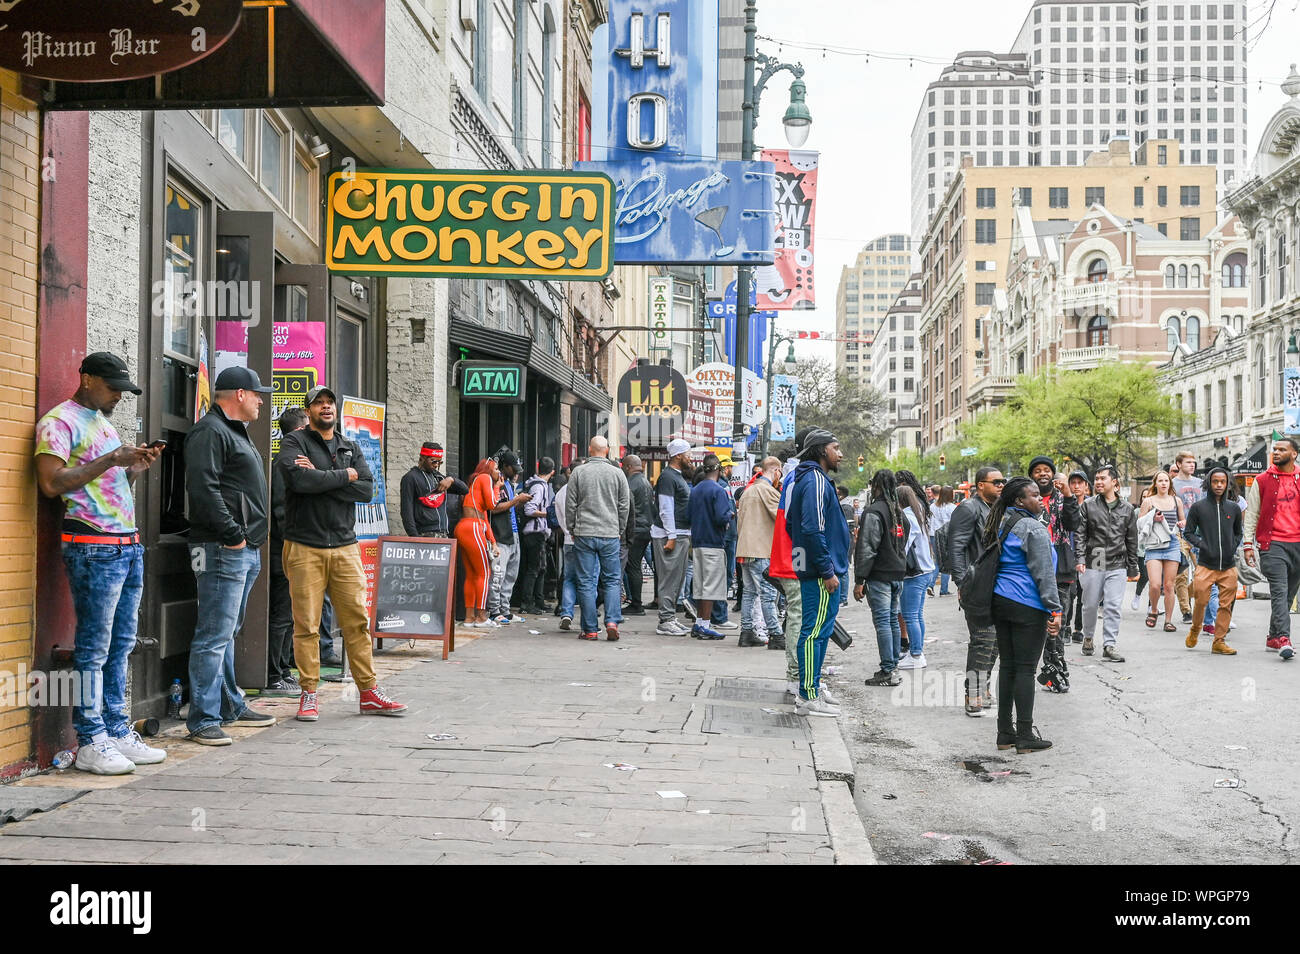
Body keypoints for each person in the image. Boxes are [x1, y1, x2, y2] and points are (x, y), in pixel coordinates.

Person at [34, 352, 163, 773]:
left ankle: (115, 729)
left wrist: (135, 468)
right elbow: (52, 484)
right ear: (87, 379)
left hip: (125, 544)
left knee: (121, 645)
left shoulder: (102, 424)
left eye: (123, 391)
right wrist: (111, 458)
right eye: (112, 389)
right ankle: (89, 739)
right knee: (94, 647)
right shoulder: (59, 422)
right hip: (92, 546)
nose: (118, 398)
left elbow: (108, 486)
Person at [279, 385, 407, 721]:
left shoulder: (349, 446)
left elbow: (365, 489)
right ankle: (309, 694)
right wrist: (342, 477)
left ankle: (368, 692)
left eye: (329, 403)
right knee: (306, 624)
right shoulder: (294, 442)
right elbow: (300, 483)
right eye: (318, 403)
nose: (325, 407)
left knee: (357, 622)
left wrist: (323, 477)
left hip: (345, 546)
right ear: (308, 411)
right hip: (304, 545)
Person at [183, 367, 279, 745]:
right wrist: (234, 536)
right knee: (213, 634)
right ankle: (203, 718)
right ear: (239, 394)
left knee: (227, 632)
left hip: (243, 548)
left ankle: (229, 705)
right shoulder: (210, 430)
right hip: (223, 549)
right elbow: (203, 488)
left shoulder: (233, 431)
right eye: (257, 394)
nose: (261, 400)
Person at [986, 476, 1061, 754]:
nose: (1039, 499)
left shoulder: (1002, 522)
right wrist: (1054, 609)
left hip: (1001, 600)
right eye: (1033, 495)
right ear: (1020, 500)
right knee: (1026, 669)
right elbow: (1043, 573)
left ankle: (1005, 732)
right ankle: (1026, 735)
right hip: (1027, 603)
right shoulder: (1033, 528)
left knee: (1007, 667)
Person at [787, 429, 850, 716]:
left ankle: (812, 686)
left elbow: (792, 524)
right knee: (814, 632)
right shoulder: (814, 480)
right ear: (822, 450)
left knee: (821, 631)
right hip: (819, 570)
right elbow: (812, 527)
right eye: (836, 448)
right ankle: (808, 695)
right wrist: (826, 569)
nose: (840, 454)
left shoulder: (812, 479)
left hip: (815, 566)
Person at [948, 466, 1005, 715]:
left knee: (995, 642)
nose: (1001, 485)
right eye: (996, 482)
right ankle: (973, 692)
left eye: (1003, 481)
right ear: (981, 485)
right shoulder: (968, 508)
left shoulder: (996, 509)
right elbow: (956, 547)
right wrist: (961, 582)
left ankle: (984, 686)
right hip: (976, 584)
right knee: (983, 639)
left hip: (997, 584)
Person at [564, 438, 630, 640]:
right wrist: (619, 528)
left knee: (586, 581)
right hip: (609, 532)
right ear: (607, 450)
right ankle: (612, 621)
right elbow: (624, 505)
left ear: (589, 450)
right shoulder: (617, 473)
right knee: (611, 580)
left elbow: (571, 504)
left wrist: (572, 527)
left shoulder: (579, 472)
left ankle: (590, 629)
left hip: (584, 532)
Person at [1244, 437, 1300, 660]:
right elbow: (1252, 514)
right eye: (1274, 449)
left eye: (1281, 449)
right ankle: (1284, 639)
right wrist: (1248, 544)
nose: (1275, 452)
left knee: (1288, 596)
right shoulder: (1262, 480)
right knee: (1279, 592)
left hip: (1297, 543)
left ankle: (1273, 636)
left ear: (1294, 454)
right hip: (1273, 544)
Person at [1076, 465, 1139, 662]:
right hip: (1094, 559)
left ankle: (1109, 645)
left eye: (1103, 478)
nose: (1098, 482)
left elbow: (1131, 539)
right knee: (1090, 604)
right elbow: (1080, 535)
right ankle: (1088, 637)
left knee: (1113, 606)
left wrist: (1133, 566)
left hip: (1117, 562)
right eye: (1096, 479)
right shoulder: (1088, 505)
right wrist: (1079, 559)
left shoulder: (1127, 509)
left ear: (1115, 483)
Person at [1027, 456, 1080, 693]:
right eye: (1037, 471)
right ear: (1032, 476)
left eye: (1046, 470)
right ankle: (1029, 670)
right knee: (1032, 625)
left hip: (1060, 571)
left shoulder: (1062, 499)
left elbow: (1073, 524)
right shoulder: (1026, 500)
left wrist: (1069, 494)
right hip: (1030, 570)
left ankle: (1056, 671)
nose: (1042, 474)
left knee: (1055, 625)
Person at [267, 406, 309, 695]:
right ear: (298, 431)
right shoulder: (285, 463)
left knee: (290, 615)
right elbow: (282, 509)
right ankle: (273, 675)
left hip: (294, 548)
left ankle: (282, 669)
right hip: (284, 550)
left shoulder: (299, 461)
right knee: (281, 615)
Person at [1183, 467, 1242, 655]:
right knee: (1201, 600)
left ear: (1227, 484)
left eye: (1222, 482)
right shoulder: (1198, 507)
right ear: (1209, 483)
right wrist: (1202, 544)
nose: (1218, 485)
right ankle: (1195, 629)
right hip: (1206, 564)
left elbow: (1238, 532)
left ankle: (1219, 641)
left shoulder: (1233, 508)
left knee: (1226, 605)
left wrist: (1232, 547)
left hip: (1228, 566)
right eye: (1215, 481)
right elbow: (1188, 532)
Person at [684, 454, 733, 640]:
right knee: (711, 587)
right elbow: (721, 517)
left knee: (700, 585)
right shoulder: (718, 490)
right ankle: (705, 624)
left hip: (697, 543)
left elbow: (688, 516)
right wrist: (730, 515)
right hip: (713, 543)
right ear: (719, 470)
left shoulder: (695, 490)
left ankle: (699, 623)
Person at [735, 456, 782, 647]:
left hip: (745, 549)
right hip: (761, 550)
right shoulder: (766, 491)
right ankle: (776, 634)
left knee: (749, 592)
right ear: (776, 470)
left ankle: (746, 632)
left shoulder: (748, 491)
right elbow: (782, 517)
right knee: (768, 594)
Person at [652, 438, 694, 636]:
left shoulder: (675, 476)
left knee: (676, 579)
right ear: (678, 456)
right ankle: (666, 620)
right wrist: (671, 536)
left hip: (679, 534)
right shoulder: (668, 477)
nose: (691, 458)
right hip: (671, 535)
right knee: (669, 579)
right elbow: (665, 509)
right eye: (688, 454)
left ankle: (670, 617)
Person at [1138, 470, 1187, 633]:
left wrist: (1182, 523)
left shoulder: (1176, 500)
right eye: (1160, 481)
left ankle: (1168, 620)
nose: (1164, 483)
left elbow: (1183, 519)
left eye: (1166, 481)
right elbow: (1139, 523)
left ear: (1170, 484)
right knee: (1155, 584)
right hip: (1154, 545)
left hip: (1172, 543)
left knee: (1168, 585)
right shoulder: (1149, 501)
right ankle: (1153, 610)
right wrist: (1153, 518)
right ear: (1156, 483)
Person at [487, 451, 531, 625]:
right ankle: (494, 610)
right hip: (500, 534)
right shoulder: (495, 483)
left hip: (513, 534)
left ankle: (505, 610)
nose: (517, 472)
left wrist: (519, 501)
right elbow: (493, 507)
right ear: (505, 466)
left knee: (510, 575)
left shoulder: (509, 484)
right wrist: (516, 500)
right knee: (498, 574)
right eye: (514, 468)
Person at [457, 458, 500, 628]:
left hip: (465, 526)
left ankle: (469, 617)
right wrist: (496, 487)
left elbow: (484, 517)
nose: (498, 473)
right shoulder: (485, 478)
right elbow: (492, 505)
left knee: (472, 574)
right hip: (474, 528)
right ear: (488, 468)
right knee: (484, 573)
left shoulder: (474, 484)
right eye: (496, 469)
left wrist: (493, 541)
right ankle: (481, 617)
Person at [897, 484, 935, 670]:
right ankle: (917, 651)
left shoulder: (908, 517)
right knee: (916, 615)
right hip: (926, 572)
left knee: (910, 615)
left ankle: (916, 655)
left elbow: (904, 544)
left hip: (914, 574)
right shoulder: (918, 514)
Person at [399, 442, 466, 539]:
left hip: (443, 533)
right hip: (425, 534)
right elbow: (406, 511)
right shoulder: (410, 478)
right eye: (433, 461)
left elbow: (464, 490)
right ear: (422, 458)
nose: (436, 465)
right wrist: (414, 538)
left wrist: (452, 480)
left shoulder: (438, 477)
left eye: (439, 462)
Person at [518, 457, 556, 615]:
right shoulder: (539, 487)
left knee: (541, 568)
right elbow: (529, 510)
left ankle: (539, 601)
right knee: (534, 569)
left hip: (536, 532)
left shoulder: (534, 484)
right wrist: (547, 514)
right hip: (534, 532)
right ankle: (527, 603)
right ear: (552, 472)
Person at [622, 454, 655, 616]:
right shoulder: (646, 482)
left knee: (633, 565)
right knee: (634, 565)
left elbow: (626, 508)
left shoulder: (631, 483)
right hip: (645, 529)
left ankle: (636, 603)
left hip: (636, 530)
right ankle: (636, 602)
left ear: (628, 467)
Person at [1171, 452, 1200, 623]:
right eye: (1188, 462)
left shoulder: (1201, 483)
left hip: (1198, 534)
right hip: (1178, 534)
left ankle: (1189, 595)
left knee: (1202, 573)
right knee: (1181, 574)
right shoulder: (1172, 484)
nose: (1192, 465)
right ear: (1179, 464)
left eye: (1193, 462)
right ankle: (1186, 610)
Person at [1065, 471, 1091, 643]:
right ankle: (1065, 626)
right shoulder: (1064, 504)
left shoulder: (1093, 505)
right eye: (1072, 482)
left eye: (1079, 483)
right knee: (1069, 592)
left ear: (1086, 486)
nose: (1076, 486)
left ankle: (1078, 628)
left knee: (1085, 594)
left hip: (1089, 554)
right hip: (1069, 553)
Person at [930, 486, 957, 595]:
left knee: (936, 561)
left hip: (934, 535)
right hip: (947, 537)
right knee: (946, 562)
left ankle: (930, 585)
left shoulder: (932, 506)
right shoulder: (952, 507)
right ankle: (944, 590)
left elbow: (929, 522)